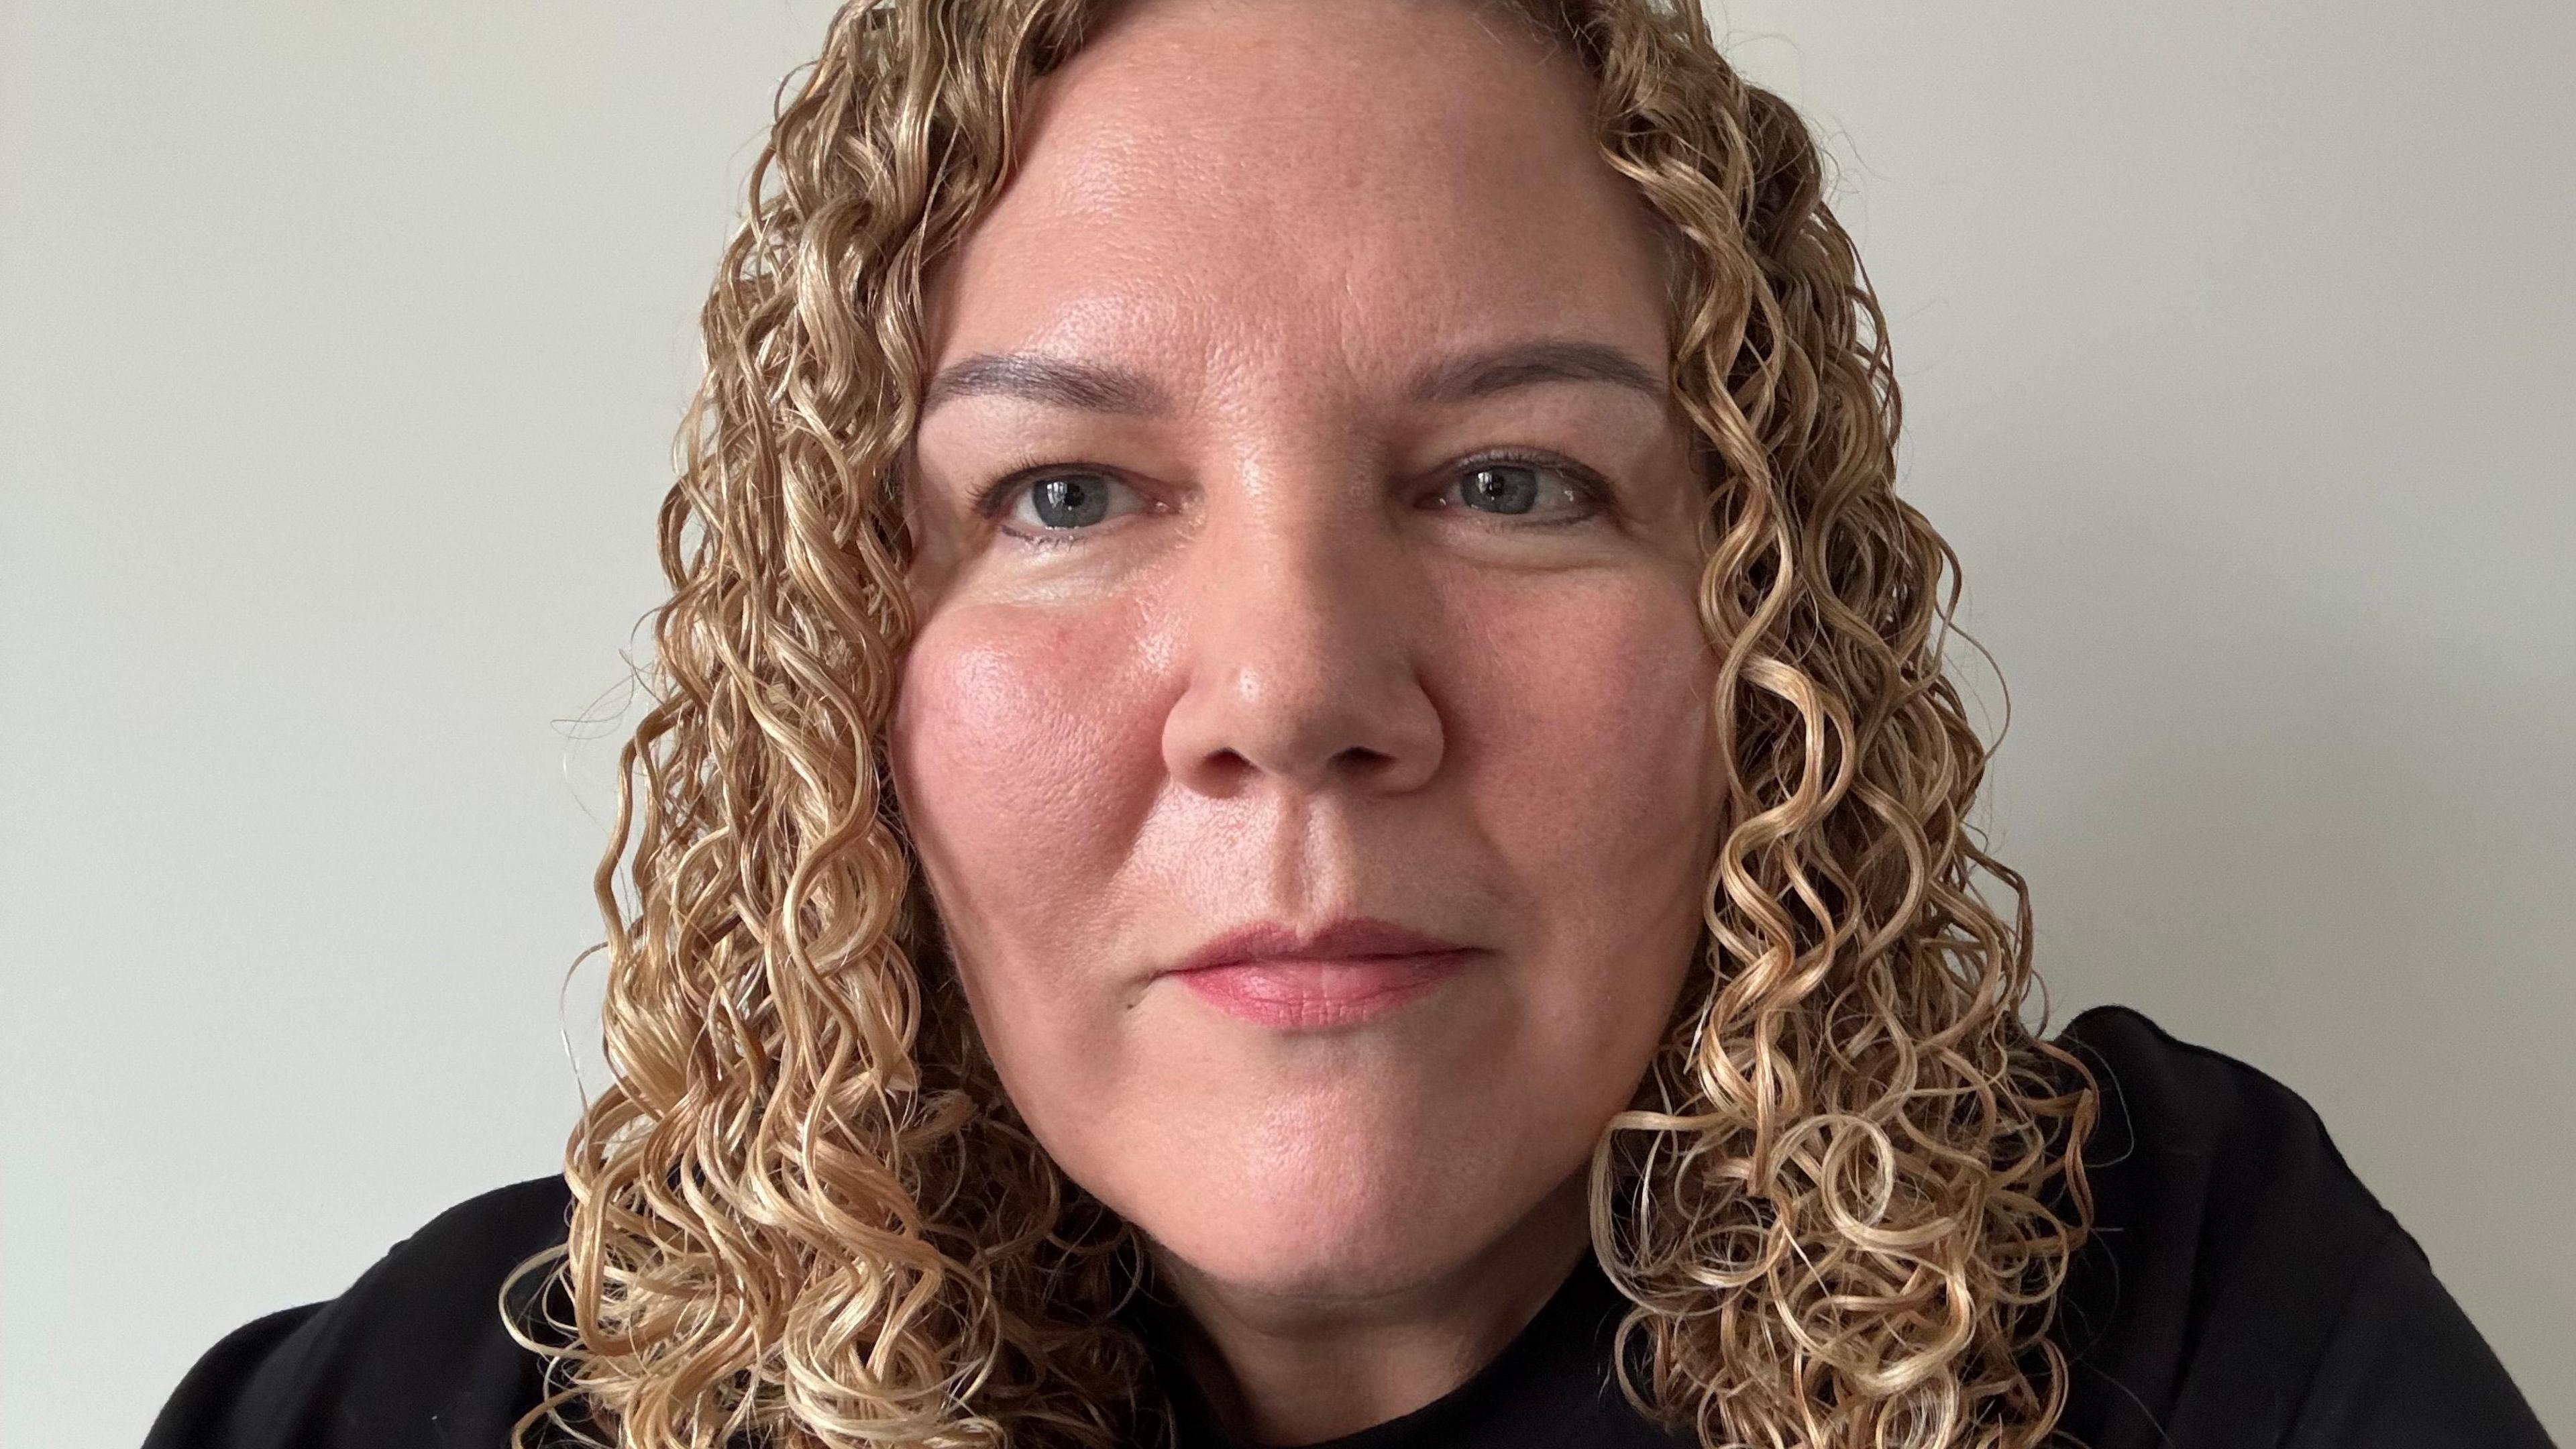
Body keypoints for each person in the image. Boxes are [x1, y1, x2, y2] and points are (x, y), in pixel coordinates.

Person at [143, 0, 2553, 1446]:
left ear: (1762, 630)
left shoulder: (2174, 1316)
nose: (1298, 693)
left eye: (1512, 480)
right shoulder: (496, 1395)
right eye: (1067, 491)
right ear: (839, 667)